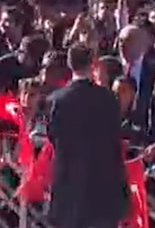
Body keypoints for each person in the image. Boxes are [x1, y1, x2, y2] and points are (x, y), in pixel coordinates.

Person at [45, 44, 130, 228]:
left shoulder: (56, 101)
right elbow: (116, 133)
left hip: (69, 184)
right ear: (92, 64)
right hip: (103, 185)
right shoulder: (108, 98)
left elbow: (52, 136)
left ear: (69, 64)